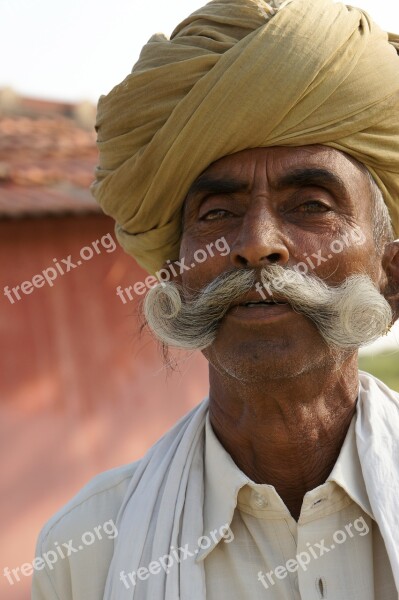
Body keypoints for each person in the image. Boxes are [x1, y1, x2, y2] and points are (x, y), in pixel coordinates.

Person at [32, 0, 399, 598]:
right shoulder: (87, 550)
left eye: (311, 205)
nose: (256, 245)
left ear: (392, 275)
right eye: (218, 212)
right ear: (173, 280)